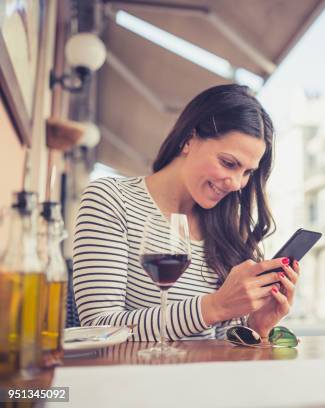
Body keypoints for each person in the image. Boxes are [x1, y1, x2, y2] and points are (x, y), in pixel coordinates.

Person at [72, 84, 300, 342]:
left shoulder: (227, 229)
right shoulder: (111, 199)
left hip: (204, 380)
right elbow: (98, 327)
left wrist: (257, 326)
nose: (237, 183)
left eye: (247, 172)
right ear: (188, 139)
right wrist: (214, 307)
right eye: (228, 163)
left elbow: (222, 347)